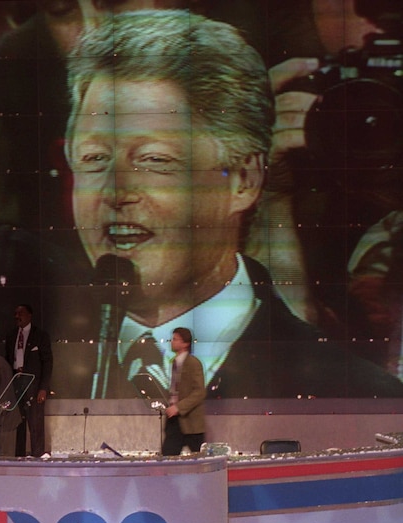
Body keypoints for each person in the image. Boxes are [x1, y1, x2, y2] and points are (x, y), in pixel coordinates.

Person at [65, 9, 403, 400]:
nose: (114, 191)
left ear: (244, 180)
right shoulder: (31, 368)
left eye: (154, 160)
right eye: (93, 159)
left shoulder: (357, 397)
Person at [5, 304, 52, 457]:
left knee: (36, 423)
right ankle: (18, 456)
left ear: (30, 315)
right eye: (16, 313)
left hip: (34, 386)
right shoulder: (12, 335)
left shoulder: (40, 335)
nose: (17, 316)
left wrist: (43, 388)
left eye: (21, 313)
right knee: (18, 423)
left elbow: (47, 362)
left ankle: (38, 456)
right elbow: (7, 360)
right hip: (16, 384)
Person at [162, 328, 206, 456]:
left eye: (175, 339)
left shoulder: (193, 363)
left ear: (185, 343)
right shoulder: (173, 363)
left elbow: (199, 392)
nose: (172, 342)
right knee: (168, 457)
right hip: (174, 420)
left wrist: (178, 407)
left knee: (199, 460)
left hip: (190, 421)